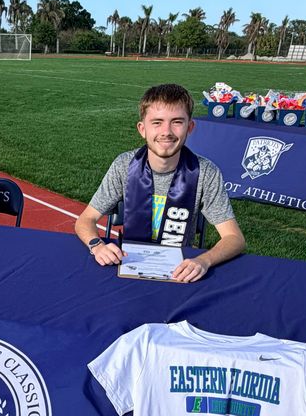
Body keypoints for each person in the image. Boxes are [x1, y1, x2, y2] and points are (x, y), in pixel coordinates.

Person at [74, 83, 245, 282]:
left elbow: (234, 238)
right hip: (128, 265)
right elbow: (85, 220)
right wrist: (97, 245)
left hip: (180, 272)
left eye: (177, 122)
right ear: (142, 129)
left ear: (190, 127)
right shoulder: (124, 165)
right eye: (157, 122)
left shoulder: (206, 173)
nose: (166, 131)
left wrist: (204, 260)